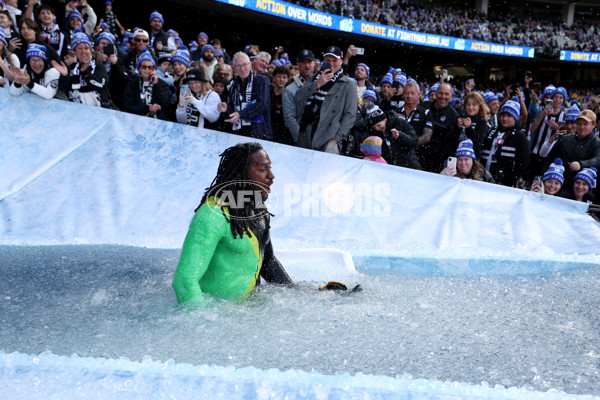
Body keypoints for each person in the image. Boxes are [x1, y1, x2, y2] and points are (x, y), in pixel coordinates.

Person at [172, 142, 293, 305]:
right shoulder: (212, 215)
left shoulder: (258, 210)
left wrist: (299, 294)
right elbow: (185, 282)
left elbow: (268, 262)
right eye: (262, 169)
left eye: (269, 168)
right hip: (218, 315)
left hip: (249, 312)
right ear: (240, 175)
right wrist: (207, 324)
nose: (271, 176)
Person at [295, 45, 357, 153]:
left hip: (328, 137)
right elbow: (298, 97)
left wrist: (336, 139)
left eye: (335, 60)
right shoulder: (314, 77)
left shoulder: (348, 84)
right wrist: (318, 84)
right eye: (328, 60)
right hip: (306, 132)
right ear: (324, 61)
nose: (331, 63)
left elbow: (350, 115)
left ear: (341, 61)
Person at [217, 52, 272, 140]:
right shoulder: (233, 87)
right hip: (240, 134)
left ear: (250, 65)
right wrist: (226, 109)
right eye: (238, 66)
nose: (242, 69)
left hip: (259, 134)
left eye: (245, 65)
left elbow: (261, 104)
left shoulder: (260, 80)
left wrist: (241, 114)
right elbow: (234, 111)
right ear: (234, 68)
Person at [543, 109, 600, 189]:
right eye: (579, 124)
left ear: (593, 125)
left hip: (581, 190)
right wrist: (543, 179)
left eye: (585, 124)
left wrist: (581, 164)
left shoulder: (597, 143)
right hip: (557, 186)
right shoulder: (564, 139)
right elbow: (549, 159)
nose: (582, 127)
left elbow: (597, 160)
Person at [480, 100, 530, 187]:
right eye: (503, 115)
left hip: (504, 184)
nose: (505, 118)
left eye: (509, 116)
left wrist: (508, 181)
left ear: (515, 117)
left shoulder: (520, 136)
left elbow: (523, 163)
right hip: (484, 179)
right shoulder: (492, 130)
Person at [61, 30, 110, 107]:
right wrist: (64, 76)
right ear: (75, 52)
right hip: (75, 110)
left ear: (90, 51)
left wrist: (86, 73)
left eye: (86, 48)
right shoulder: (72, 68)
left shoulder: (99, 67)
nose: (83, 51)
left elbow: (100, 85)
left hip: (97, 111)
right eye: (80, 48)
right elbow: (64, 89)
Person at [365, 103, 420, 169]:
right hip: (390, 168)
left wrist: (400, 136)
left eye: (378, 125)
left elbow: (414, 141)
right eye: (374, 127)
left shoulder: (399, 122)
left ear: (384, 119)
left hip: (409, 166)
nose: (377, 129)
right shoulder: (376, 133)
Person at [528, 86, 566, 179]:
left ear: (563, 100)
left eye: (560, 98)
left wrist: (556, 127)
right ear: (552, 99)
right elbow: (532, 129)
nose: (557, 100)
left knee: (543, 181)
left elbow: (565, 134)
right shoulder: (541, 111)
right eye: (555, 97)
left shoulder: (564, 116)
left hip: (550, 156)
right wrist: (542, 115)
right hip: (535, 152)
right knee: (531, 180)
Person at [123, 49, 172, 120]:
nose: (147, 69)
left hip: (157, 122)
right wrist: (148, 108)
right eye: (144, 67)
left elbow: (166, 104)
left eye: (150, 67)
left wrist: (157, 84)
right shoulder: (132, 83)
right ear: (139, 68)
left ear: (153, 70)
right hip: (137, 121)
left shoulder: (161, 84)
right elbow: (128, 106)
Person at [422, 82, 459, 172]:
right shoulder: (424, 106)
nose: (443, 96)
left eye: (446, 94)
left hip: (436, 163)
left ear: (451, 96)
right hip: (417, 155)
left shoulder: (454, 116)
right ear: (436, 93)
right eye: (440, 93)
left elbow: (451, 145)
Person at [283, 49, 314, 144]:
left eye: (309, 62)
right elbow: (290, 119)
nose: (307, 65)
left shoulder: (323, 84)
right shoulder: (290, 90)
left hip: (320, 140)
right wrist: (302, 141)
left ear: (314, 63)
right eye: (303, 62)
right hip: (302, 141)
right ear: (298, 64)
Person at [399, 81, 433, 166]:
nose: (409, 96)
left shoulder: (425, 113)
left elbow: (427, 136)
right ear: (403, 95)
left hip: (418, 158)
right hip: (398, 156)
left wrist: (410, 143)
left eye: (412, 93)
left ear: (418, 94)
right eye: (407, 93)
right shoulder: (396, 112)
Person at [456, 92, 488, 158]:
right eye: (468, 104)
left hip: (473, 156)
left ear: (480, 106)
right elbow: (451, 139)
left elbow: (479, 142)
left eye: (474, 105)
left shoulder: (481, 121)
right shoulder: (459, 118)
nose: (470, 107)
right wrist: (457, 128)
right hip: (457, 155)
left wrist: (468, 128)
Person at [269, 65, 294, 145]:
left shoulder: (289, 96)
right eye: (279, 76)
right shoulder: (268, 92)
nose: (281, 80)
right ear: (274, 78)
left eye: (284, 77)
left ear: (288, 80)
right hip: (268, 130)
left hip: (283, 134)